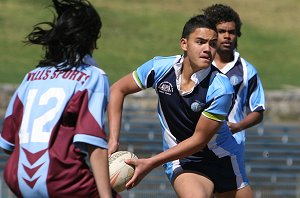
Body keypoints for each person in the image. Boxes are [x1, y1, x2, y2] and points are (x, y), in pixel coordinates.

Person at [108, 14, 252, 197]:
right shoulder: (159, 68)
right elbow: (117, 90)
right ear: (184, 44)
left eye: (212, 44)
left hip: (224, 158)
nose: (207, 49)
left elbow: (199, 140)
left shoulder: (221, 88)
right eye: (200, 42)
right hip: (182, 159)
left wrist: (151, 162)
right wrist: (113, 140)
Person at [0, 0, 114, 197]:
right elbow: (94, 141)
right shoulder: (93, 76)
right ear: (91, 40)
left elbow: (7, 143)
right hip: (61, 177)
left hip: (15, 177)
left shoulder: (31, 77)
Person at [203, 2, 265, 180]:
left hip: (232, 144)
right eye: (222, 31)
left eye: (231, 31)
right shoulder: (200, 65)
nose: (227, 36)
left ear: (237, 34)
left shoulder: (247, 70)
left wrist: (236, 127)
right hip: (199, 143)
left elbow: (258, 110)